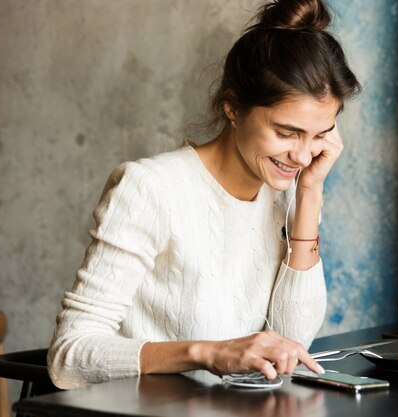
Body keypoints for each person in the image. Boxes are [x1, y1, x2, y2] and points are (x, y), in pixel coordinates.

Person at [47, 0, 361, 389]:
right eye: (285, 133)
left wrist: (310, 195)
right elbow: (69, 355)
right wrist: (208, 353)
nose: (301, 156)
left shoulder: (292, 194)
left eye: (318, 136)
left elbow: (291, 345)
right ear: (233, 107)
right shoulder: (150, 188)